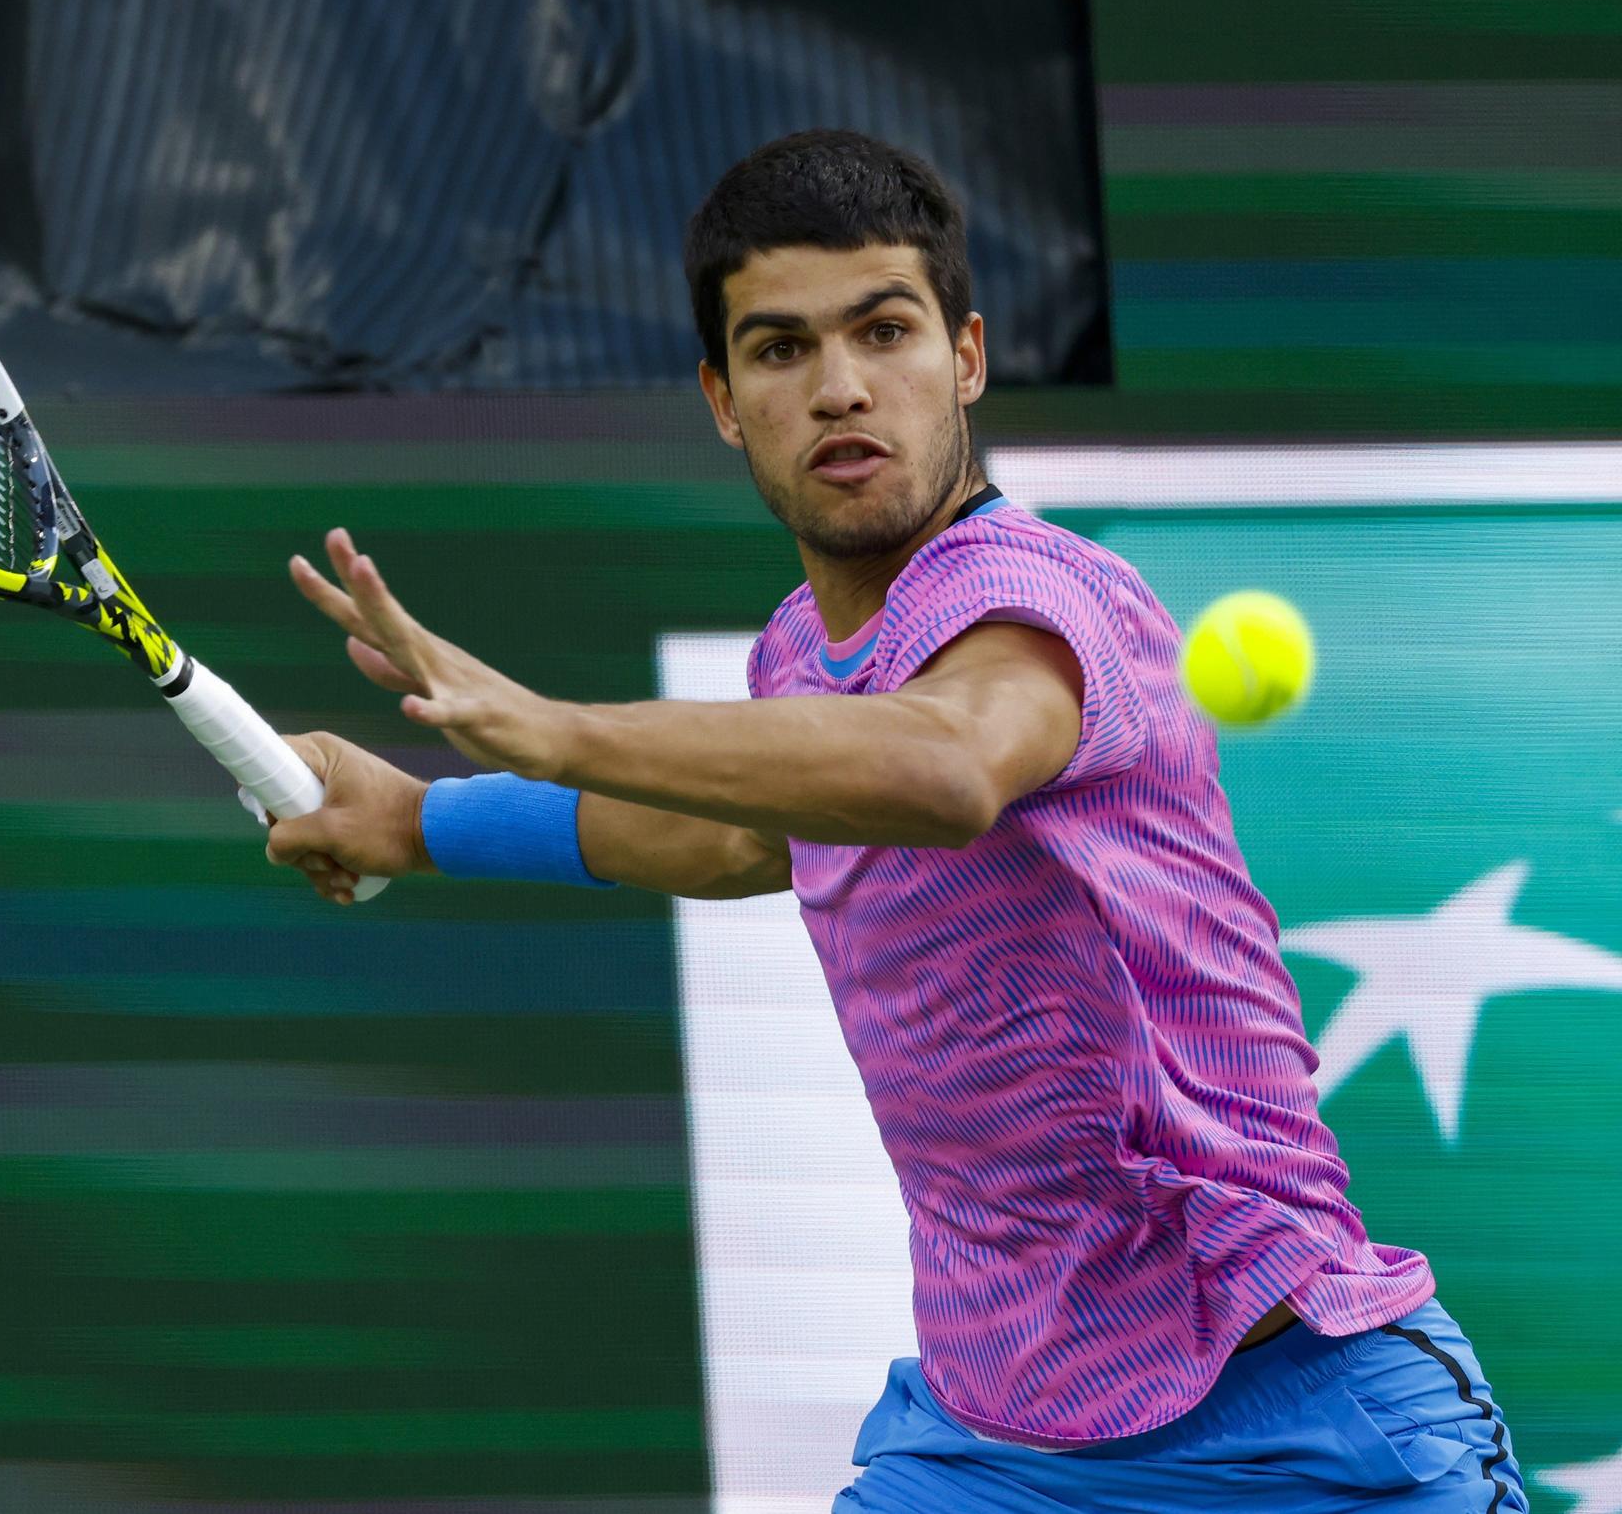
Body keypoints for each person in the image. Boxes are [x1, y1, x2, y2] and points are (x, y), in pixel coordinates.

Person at [263, 130, 1528, 1512]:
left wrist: (551, 721)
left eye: (885, 330)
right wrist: (424, 816)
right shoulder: (799, 655)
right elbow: (732, 835)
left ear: (967, 358)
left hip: (1298, 1414)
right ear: (722, 398)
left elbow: (946, 766)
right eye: (781, 349)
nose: (843, 387)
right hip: (1002, 1436)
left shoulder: (1046, 603)